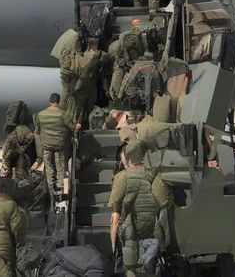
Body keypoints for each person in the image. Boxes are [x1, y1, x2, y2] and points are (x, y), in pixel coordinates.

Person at [108, 141, 170, 276]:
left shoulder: (122, 177)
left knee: (131, 268)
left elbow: (115, 215)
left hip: (131, 234)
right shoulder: (155, 175)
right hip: (154, 231)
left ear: (128, 160)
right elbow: (164, 205)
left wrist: (113, 245)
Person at [35, 93, 80, 201]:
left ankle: (51, 194)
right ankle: (64, 193)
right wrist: (78, 126)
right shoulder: (64, 114)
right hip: (61, 147)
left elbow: (37, 131)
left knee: (49, 170)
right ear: (58, 101)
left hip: (47, 147)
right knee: (63, 170)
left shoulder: (41, 114)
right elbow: (73, 128)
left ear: (50, 101)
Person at [70, 38, 103, 127]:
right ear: (95, 45)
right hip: (90, 84)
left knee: (79, 107)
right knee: (89, 106)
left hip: (80, 85)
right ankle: (87, 124)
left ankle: (77, 124)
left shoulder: (81, 56)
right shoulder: (96, 56)